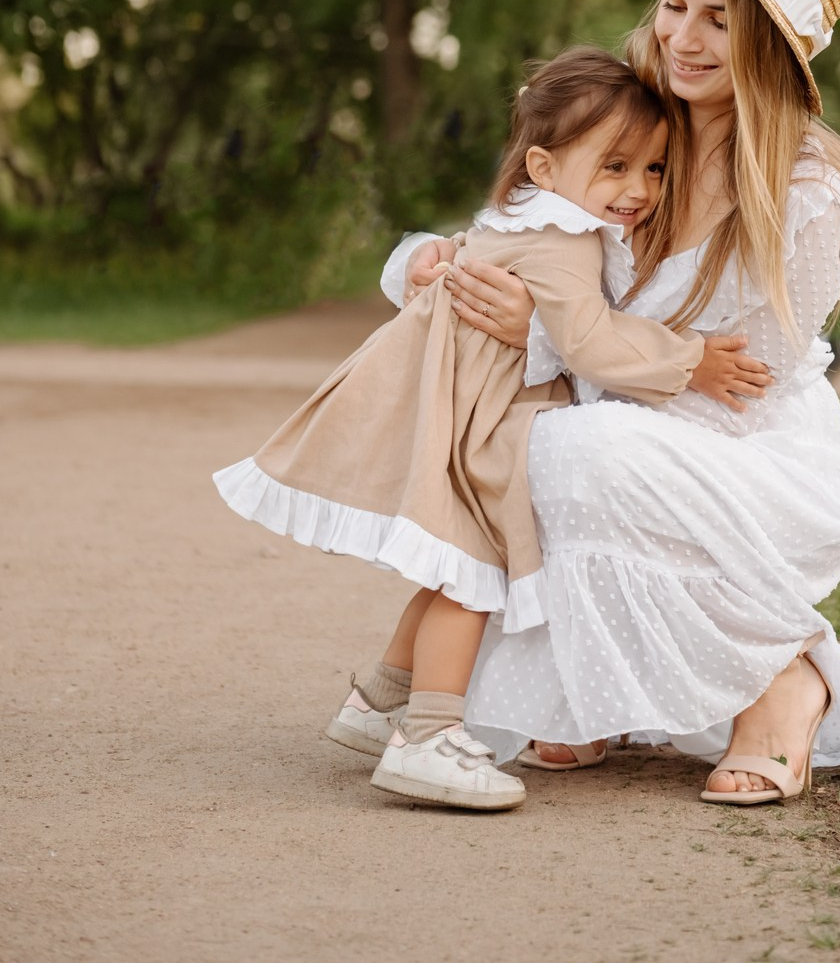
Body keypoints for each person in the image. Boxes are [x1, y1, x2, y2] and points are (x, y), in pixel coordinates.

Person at [342, 0, 840, 805]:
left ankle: (787, 677)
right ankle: (595, 692)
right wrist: (427, 268)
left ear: (771, 43)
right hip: (614, 418)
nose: (682, 37)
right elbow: (517, 229)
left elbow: (741, 380)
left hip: (744, 451)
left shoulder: (806, 187)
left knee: (566, 446)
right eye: (673, 3)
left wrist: (544, 342)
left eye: (719, 19)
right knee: (540, 446)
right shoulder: (631, 117)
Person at [214, 46, 764, 811]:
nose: (637, 190)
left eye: (655, 170)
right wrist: (692, 358)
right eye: (615, 167)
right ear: (543, 166)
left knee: (452, 561)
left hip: (467, 406)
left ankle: (380, 706)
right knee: (473, 571)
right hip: (484, 419)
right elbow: (592, 342)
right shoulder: (563, 237)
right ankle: (430, 740)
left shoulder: (525, 219)